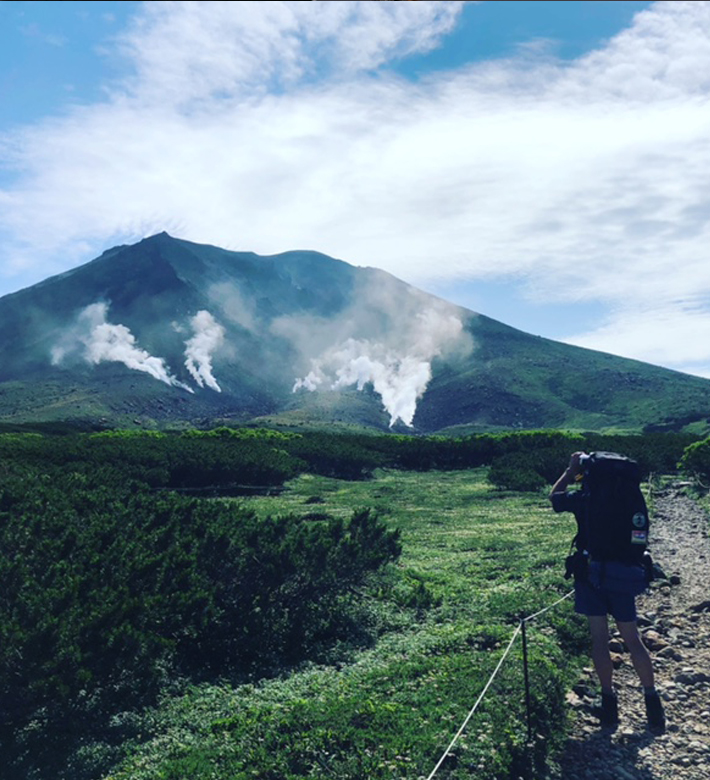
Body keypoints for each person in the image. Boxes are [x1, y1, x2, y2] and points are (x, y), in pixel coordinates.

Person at [549, 451, 665, 731]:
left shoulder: (584, 498)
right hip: (624, 575)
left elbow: (555, 498)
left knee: (599, 640)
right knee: (633, 639)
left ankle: (609, 706)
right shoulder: (629, 497)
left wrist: (569, 470)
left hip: (591, 575)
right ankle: (653, 705)